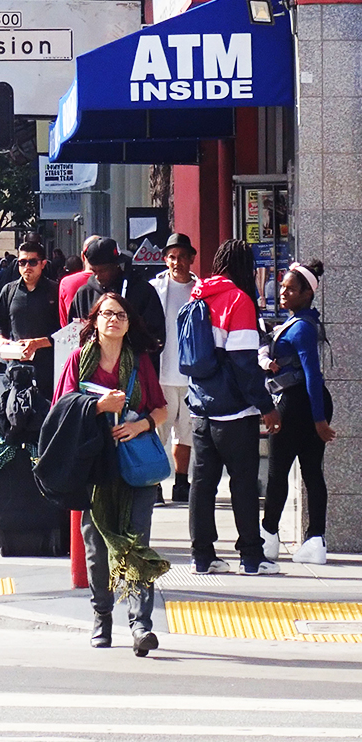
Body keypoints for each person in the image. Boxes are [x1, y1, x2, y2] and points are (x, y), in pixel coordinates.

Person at [55, 291, 169, 656]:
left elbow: (162, 409)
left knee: (136, 543)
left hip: (135, 468)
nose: (114, 320)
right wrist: (98, 406)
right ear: (95, 320)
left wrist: (142, 426)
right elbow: (60, 410)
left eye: (120, 314)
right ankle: (102, 617)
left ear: (129, 322)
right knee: (97, 547)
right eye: (107, 314)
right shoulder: (78, 362)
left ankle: (141, 625)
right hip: (94, 469)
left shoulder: (140, 364)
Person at [182, 239, 283, 575]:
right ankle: (251, 557)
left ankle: (202, 555)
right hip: (234, 412)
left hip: (200, 406)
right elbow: (243, 363)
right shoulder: (238, 301)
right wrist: (265, 405)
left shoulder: (198, 295)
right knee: (242, 481)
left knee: (202, 481)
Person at [259, 260, 335, 565]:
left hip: (296, 405)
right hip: (306, 404)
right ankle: (315, 540)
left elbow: (312, 375)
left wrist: (319, 420)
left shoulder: (302, 327)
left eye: (291, 288)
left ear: (307, 294)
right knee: (311, 472)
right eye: (282, 287)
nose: (283, 292)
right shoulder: (300, 322)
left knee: (279, 472)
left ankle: (268, 537)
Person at [150, 232, 199, 504]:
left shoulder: (201, 289)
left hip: (193, 375)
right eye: (171, 257)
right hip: (162, 373)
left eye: (181, 257)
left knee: (187, 430)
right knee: (159, 429)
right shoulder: (155, 288)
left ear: (192, 259)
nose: (176, 262)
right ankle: (155, 481)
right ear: (165, 260)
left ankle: (181, 482)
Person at [69, 237, 166, 372]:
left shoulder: (142, 291)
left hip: (135, 372)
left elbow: (156, 337)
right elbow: (74, 335)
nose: (97, 276)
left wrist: (131, 359)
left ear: (116, 265)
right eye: (94, 270)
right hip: (95, 372)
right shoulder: (84, 294)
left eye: (102, 270)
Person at [0, 241, 60, 401]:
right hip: (16, 371)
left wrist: (38, 343)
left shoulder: (55, 291)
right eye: (22, 262)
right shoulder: (9, 291)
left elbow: (65, 331)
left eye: (32, 262)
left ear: (43, 264)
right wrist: (2, 340)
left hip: (48, 371)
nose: (27, 267)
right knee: (16, 419)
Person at [58, 234, 100, 327]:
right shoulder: (114, 280)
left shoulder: (67, 282)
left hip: (76, 336)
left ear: (82, 256)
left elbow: (64, 322)